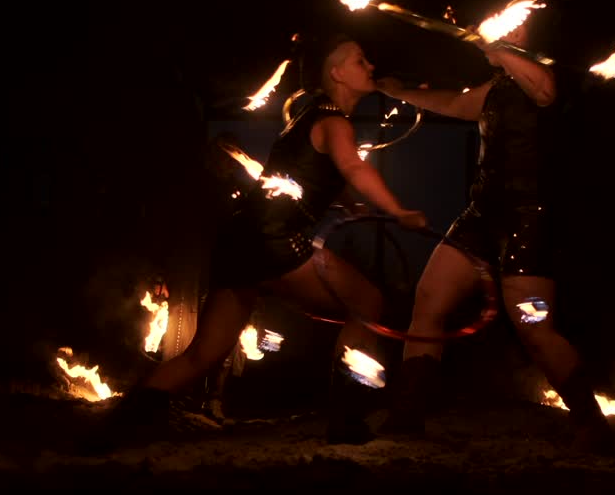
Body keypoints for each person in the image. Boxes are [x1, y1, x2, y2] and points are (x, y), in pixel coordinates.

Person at [86, 32, 428, 450]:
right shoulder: (334, 121)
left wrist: (349, 204)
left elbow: (317, 174)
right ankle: (346, 418)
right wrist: (398, 211)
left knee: (203, 355)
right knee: (368, 303)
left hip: (240, 243)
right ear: (337, 73)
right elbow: (354, 168)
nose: (370, 66)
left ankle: (113, 433)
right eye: (359, 60)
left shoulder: (309, 119)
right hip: (273, 242)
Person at [372, 24, 615, 454]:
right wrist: (402, 91)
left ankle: (592, 425)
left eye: (507, 26)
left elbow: (544, 92)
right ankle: (408, 413)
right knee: (429, 299)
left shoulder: (545, 74)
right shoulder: (497, 87)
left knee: (533, 326)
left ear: (523, 36)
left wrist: (494, 44)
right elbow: (451, 103)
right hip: (480, 216)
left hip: (529, 220)